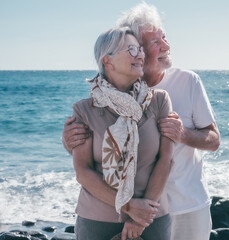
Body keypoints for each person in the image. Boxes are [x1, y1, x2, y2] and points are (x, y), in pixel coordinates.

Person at [63, 3, 220, 240]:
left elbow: (213, 140)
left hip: (185, 203)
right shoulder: (104, 98)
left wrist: (183, 134)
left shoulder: (182, 85)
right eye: (154, 42)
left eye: (164, 37)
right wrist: (69, 142)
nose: (166, 46)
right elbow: (92, 155)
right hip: (126, 209)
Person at [71, 26, 174, 240]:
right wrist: (128, 207)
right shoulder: (84, 110)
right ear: (107, 61)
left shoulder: (158, 101)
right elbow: (83, 171)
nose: (140, 55)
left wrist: (140, 217)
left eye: (140, 49)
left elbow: (166, 160)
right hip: (97, 221)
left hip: (152, 219)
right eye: (131, 50)